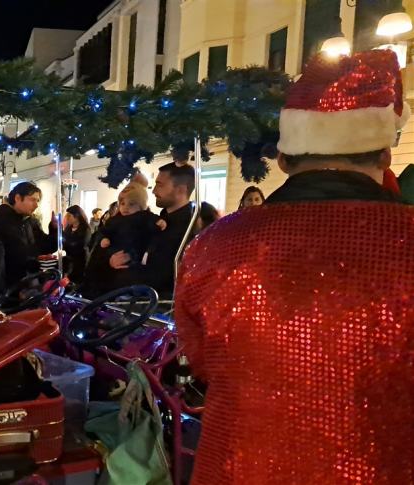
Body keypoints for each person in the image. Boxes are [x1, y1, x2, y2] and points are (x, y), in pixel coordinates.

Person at [175, 50, 414, 484]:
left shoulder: (214, 244)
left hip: (239, 467)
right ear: (384, 155)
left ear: (284, 160)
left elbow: (202, 359)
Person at [109, 162, 195, 296]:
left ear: (181, 190)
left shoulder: (190, 227)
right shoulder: (157, 220)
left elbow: (164, 274)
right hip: (134, 294)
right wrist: (116, 258)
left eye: (160, 184)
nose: (154, 190)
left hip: (158, 305)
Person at [0, 182, 58, 287]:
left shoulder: (30, 221)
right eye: (32, 200)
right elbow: (15, 253)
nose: (36, 205)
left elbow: (44, 246)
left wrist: (54, 229)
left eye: (38, 201)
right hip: (8, 286)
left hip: (29, 281)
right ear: (17, 198)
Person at [62, 205, 91, 283]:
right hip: (69, 260)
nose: (67, 218)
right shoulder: (68, 228)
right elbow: (64, 242)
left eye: (69, 216)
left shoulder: (85, 229)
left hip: (80, 261)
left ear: (77, 216)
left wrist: (69, 243)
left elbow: (82, 244)